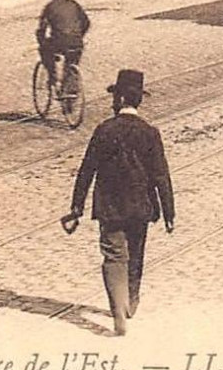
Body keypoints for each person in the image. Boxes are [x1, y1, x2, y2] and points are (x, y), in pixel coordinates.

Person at [63, 69, 175, 336]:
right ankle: (131, 303)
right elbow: (161, 174)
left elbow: (86, 170)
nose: (112, 101)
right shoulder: (149, 133)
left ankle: (117, 312)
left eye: (115, 96)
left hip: (110, 207)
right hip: (141, 207)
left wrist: (76, 207)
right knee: (135, 255)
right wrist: (169, 212)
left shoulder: (104, 130)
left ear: (121, 98)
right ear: (138, 101)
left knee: (114, 256)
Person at [37, 0, 90, 96]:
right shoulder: (74, 4)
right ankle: (71, 89)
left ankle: (53, 76)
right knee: (72, 62)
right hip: (76, 42)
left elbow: (42, 28)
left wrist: (42, 42)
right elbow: (86, 22)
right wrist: (80, 35)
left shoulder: (49, 7)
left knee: (44, 50)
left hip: (59, 42)